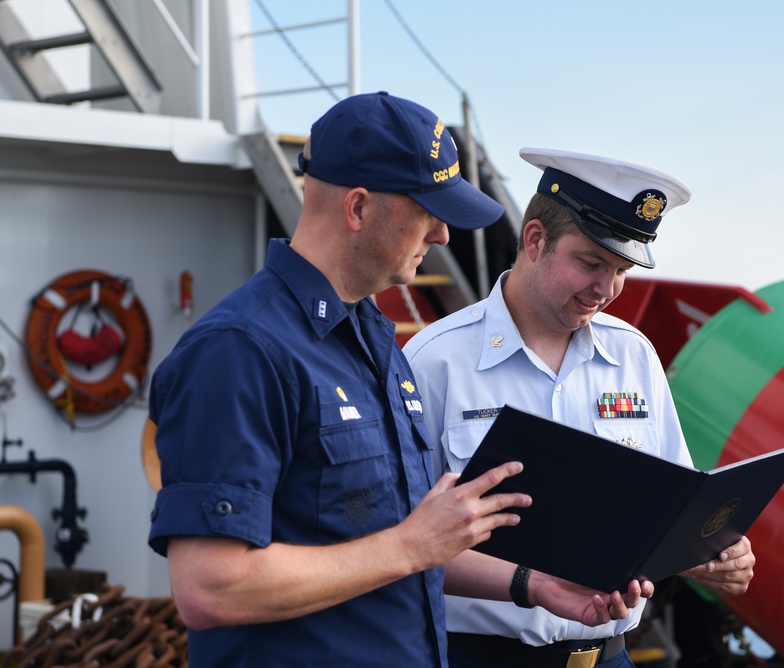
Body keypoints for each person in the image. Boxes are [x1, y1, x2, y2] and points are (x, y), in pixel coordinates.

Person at [146, 93, 645, 667]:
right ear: (358, 209)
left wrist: (533, 585)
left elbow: (394, 543)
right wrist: (411, 546)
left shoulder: (374, 342)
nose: (442, 235)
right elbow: (209, 587)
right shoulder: (240, 350)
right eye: (427, 211)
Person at [403, 147, 756, 668]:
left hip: (608, 657)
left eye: (621, 271)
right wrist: (532, 584)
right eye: (591, 263)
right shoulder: (435, 361)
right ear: (535, 240)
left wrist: (717, 551)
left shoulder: (634, 355)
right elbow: (400, 540)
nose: (606, 290)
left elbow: (673, 510)